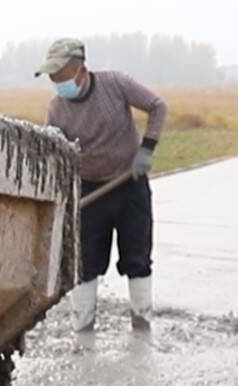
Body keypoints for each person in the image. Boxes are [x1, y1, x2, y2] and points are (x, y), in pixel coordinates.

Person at [36, 37, 168, 332]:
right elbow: (56, 156)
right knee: (85, 264)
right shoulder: (57, 109)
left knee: (137, 258)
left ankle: (142, 323)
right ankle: (83, 329)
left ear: (80, 70)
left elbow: (157, 107)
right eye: (53, 78)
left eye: (61, 75)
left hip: (129, 184)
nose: (57, 82)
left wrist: (147, 149)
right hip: (88, 191)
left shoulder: (116, 84)